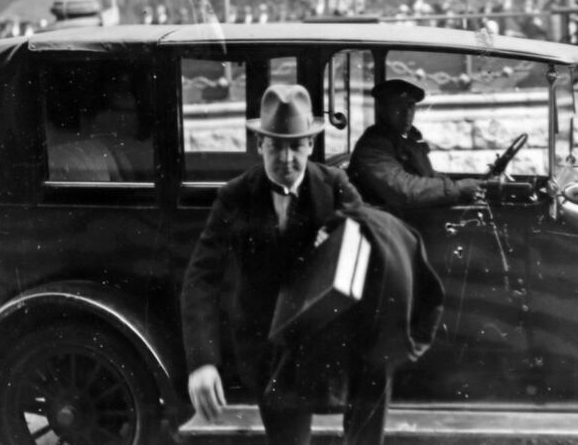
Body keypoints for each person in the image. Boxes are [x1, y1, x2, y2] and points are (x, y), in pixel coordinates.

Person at [182, 84, 392, 444]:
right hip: (271, 345)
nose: (286, 158)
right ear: (260, 145)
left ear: (310, 146)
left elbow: (373, 240)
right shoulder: (235, 197)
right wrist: (202, 362)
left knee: (376, 369)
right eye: (276, 146)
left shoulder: (335, 185)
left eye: (295, 146)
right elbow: (201, 279)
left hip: (329, 335)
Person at [347, 79, 483, 209]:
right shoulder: (373, 146)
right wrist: (457, 188)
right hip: (392, 221)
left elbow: (424, 174)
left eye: (410, 105)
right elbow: (402, 190)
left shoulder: (406, 140)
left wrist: (459, 184)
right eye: (397, 105)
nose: (406, 112)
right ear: (382, 108)